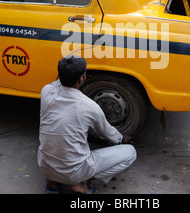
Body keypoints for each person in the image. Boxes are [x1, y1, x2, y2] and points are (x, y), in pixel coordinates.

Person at [37, 55, 136, 194]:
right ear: (81, 79)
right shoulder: (90, 106)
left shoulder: (46, 91)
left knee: (50, 143)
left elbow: (58, 83)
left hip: (45, 165)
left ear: (59, 76)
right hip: (74, 172)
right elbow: (109, 134)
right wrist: (122, 138)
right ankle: (81, 183)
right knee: (130, 153)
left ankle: (51, 184)